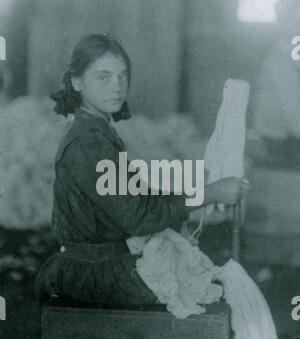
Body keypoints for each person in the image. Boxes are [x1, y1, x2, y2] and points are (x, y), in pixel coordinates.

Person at [35, 34, 249, 307]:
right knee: (207, 291)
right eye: (104, 77)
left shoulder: (96, 129)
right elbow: (136, 217)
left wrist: (200, 193)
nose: (117, 87)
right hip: (92, 273)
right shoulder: (88, 142)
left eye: (122, 77)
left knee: (202, 274)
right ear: (77, 82)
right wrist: (208, 194)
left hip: (98, 262)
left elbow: (137, 197)